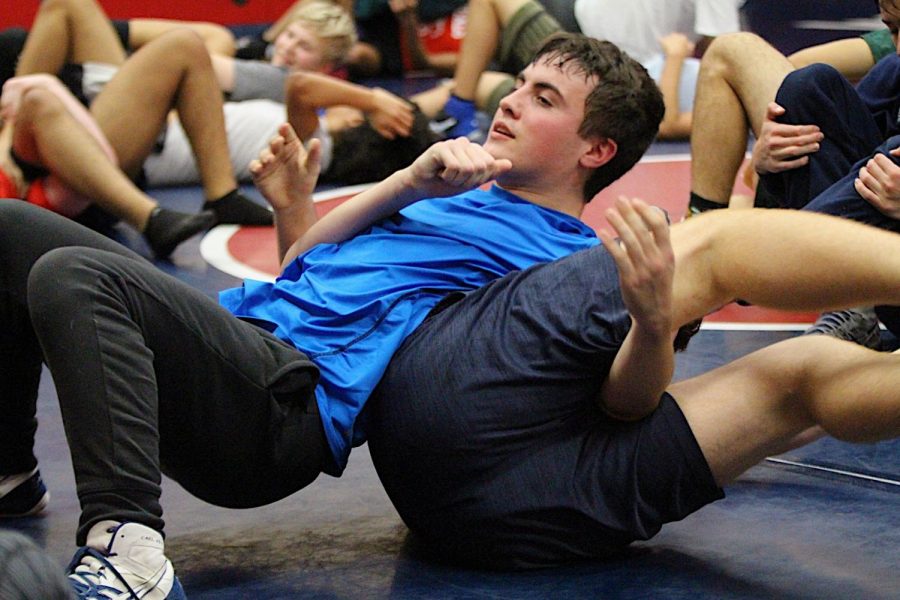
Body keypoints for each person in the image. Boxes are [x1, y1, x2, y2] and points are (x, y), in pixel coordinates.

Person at [0, 33, 663, 598]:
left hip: (288, 408)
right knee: (8, 229)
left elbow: (616, 390)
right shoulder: (465, 194)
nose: (511, 101)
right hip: (247, 349)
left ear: (596, 151)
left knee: (75, 274)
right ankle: (12, 475)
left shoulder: (571, 260)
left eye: (544, 99)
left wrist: (655, 318)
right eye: (519, 84)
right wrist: (389, 185)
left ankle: (131, 552)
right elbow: (303, 270)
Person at [12, 0, 274, 228]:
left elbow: (214, 36)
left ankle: (223, 196)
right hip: (56, 161)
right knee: (39, 100)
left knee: (187, 43)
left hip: (78, 120)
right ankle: (160, 214)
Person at [0, 73, 215, 259]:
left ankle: (156, 217)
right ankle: (150, 217)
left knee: (39, 99)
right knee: (40, 97)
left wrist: (49, 85)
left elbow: (105, 159)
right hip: (25, 212)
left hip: (33, 194)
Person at [439, 0, 704, 140]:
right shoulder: (724, 80)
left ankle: (455, 112)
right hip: (604, 74)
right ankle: (418, 117)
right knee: (479, 83)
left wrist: (675, 58)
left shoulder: (721, 115)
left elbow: (667, 124)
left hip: (599, 88)